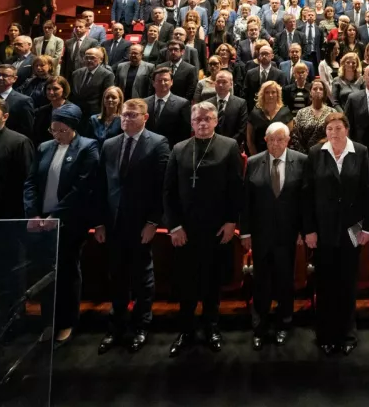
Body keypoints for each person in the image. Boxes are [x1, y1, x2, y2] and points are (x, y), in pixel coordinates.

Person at [164, 101, 242, 354]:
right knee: (187, 282)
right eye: (198, 119)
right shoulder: (178, 149)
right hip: (185, 229)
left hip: (216, 228)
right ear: (191, 122)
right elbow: (169, 192)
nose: (203, 123)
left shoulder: (229, 146)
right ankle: (186, 330)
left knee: (211, 282)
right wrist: (174, 226)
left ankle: (211, 327)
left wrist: (231, 221)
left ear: (216, 120)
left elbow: (235, 188)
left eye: (208, 119)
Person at [94, 98, 169, 354]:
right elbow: (102, 187)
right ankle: (115, 328)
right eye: (124, 115)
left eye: (133, 115)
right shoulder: (110, 144)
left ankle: (140, 326)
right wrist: (100, 222)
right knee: (116, 276)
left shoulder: (158, 143)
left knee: (142, 277)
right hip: (114, 223)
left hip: (141, 224)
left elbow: (162, 189)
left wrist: (152, 222)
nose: (127, 119)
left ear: (145, 117)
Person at [24, 102, 100, 345]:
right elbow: (30, 183)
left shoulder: (88, 147)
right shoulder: (45, 147)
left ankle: (67, 322)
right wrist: (33, 214)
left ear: (73, 128)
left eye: (62, 130)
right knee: (44, 273)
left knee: (67, 272)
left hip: (68, 221)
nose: (57, 135)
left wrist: (55, 216)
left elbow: (82, 188)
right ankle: (49, 321)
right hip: (41, 221)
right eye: (53, 130)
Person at [302, 111, 369, 356]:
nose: (334, 132)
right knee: (325, 284)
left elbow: (367, 191)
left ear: (347, 129)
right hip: (322, 230)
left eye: (338, 128)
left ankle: (347, 333)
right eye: (329, 128)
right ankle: (326, 334)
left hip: (352, 229)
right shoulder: (315, 153)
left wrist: (367, 228)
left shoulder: (361, 152)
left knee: (347, 283)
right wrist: (309, 229)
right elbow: (307, 194)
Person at [240, 122, 307, 349]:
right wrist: (246, 231)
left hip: (289, 235)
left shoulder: (301, 160)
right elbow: (246, 201)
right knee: (261, 282)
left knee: (285, 281)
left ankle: (284, 324)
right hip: (261, 235)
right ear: (265, 141)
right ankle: (259, 327)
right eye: (272, 140)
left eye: (281, 139)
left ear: (288, 141)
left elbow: (305, 200)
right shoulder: (254, 161)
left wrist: (303, 230)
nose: (276, 144)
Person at [246, 80, 293, 156]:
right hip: (259, 155)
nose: (270, 95)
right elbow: (250, 140)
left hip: (281, 155)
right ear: (262, 94)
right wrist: (255, 157)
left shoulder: (285, 112)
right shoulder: (255, 113)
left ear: (278, 94)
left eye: (273, 92)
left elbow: (289, 139)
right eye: (267, 92)